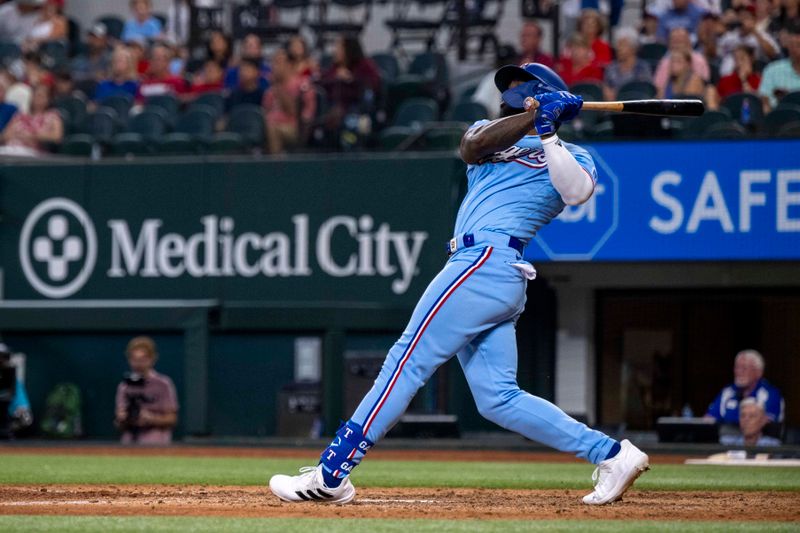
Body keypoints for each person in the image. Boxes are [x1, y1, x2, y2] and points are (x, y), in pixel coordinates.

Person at [269, 62, 650, 506]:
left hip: (490, 261)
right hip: (481, 266)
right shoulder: (490, 135)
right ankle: (610, 453)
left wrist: (549, 131)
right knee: (497, 399)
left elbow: (576, 192)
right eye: (508, 87)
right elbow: (472, 146)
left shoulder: (572, 153)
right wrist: (533, 117)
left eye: (520, 87)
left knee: (405, 361)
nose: (509, 91)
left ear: (545, 94)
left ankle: (332, 472)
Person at [114, 336, 178, 445]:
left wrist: (151, 418)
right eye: (134, 359)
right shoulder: (124, 386)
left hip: (156, 440)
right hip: (129, 440)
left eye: (142, 360)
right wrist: (122, 418)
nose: (138, 364)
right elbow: (118, 423)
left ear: (152, 359)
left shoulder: (163, 384)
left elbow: (172, 419)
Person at [706, 349, 784, 425]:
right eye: (737, 367)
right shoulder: (728, 392)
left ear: (758, 372)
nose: (739, 372)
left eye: (744, 368)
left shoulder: (770, 394)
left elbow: (765, 425)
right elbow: (708, 420)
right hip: (727, 437)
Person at [262, 48, 316, 154]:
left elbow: (293, 111)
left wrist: (278, 87)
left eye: (278, 62)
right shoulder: (270, 90)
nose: (274, 67)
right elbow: (265, 111)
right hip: (271, 125)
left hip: (295, 127)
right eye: (273, 62)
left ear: (289, 65)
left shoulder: (302, 84)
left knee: (273, 129)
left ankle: (276, 167)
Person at [0, 82, 62, 156]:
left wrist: (34, 137)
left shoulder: (53, 116)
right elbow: (4, 135)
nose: (37, 99)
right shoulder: (20, 115)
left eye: (40, 96)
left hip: (35, 153)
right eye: (34, 95)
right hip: (10, 150)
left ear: (48, 99)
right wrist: (13, 136)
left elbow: (57, 137)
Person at [717, 4, 779, 77]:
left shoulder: (762, 35)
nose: (743, 20)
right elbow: (717, 52)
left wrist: (754, 32)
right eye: (740, 16)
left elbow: (773, 54)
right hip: (729, 73)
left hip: (754, 72)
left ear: (754, 20)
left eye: (746, 17)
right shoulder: (730, 36)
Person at [759, 21, 800, 110]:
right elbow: (764, 100)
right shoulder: (772, 70)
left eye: (798, 45)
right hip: (780, 119)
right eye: (792, 45)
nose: (795, 49)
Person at [603, 27, 653, 100]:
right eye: (618, 45)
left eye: (622, 45)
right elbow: (607, 89)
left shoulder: (643, 67)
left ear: (633, 48)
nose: (618, 48)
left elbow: (645, 91)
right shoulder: (611, 68)